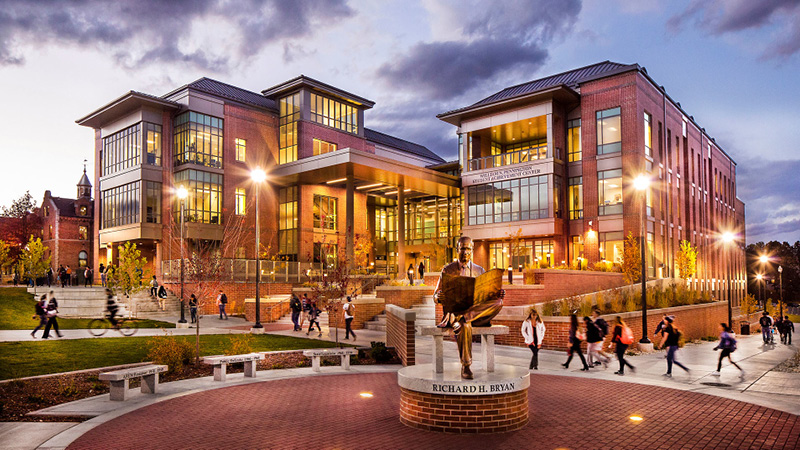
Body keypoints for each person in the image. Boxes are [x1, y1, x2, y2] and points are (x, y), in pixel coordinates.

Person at [433, 236, 505, 379]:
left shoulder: (479, 270)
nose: (465, 252)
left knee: (498, 302)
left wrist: (498, 293)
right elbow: (435, 295)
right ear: (457, 250)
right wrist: (438, 297)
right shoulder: (448, 270)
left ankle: (465, 317)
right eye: (462, 248)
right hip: (455, 314)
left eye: (468, 249)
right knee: (464, 326)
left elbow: (487, 296)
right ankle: (466, 366)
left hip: (476, 313)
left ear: (472, 250)